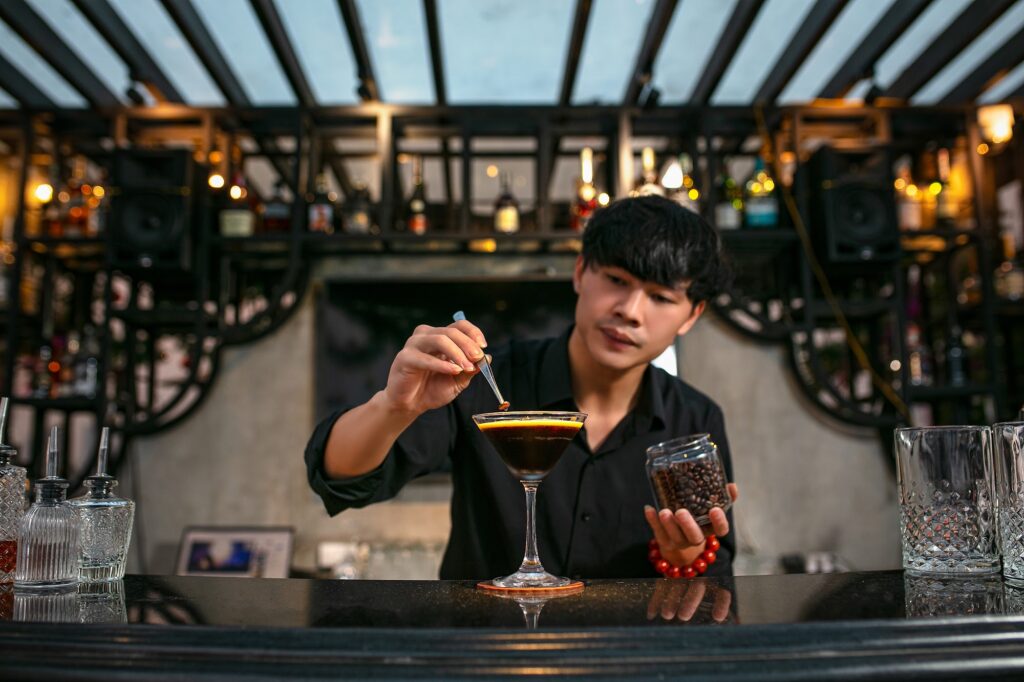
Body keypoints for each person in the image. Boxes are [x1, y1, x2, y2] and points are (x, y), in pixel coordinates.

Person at [305, 195, 738, 580]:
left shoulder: (695, 421)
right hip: (485, 655)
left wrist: (684, 552)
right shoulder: (477, 381)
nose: (630, 311)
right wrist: (393, 407)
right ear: (581, 272)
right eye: (617, 281)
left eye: (661, 298)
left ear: (691, 315)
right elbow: (342, 481)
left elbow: (715, 572)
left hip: (628, 660)